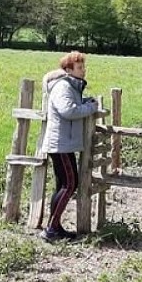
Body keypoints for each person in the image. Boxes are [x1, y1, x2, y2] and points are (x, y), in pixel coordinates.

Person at [39, 51, 99, 241]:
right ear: (68, 70)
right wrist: (90, 107)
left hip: (64, 143)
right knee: (70, 184)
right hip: (60, 143)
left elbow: (72, 104)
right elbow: (68, 110)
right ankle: (51, 229)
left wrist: (85, 101)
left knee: (63, 185)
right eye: (79, 67)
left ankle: (54, 227)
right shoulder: (62, 86)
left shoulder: (69, 86)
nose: (84, 70)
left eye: (83, 66)